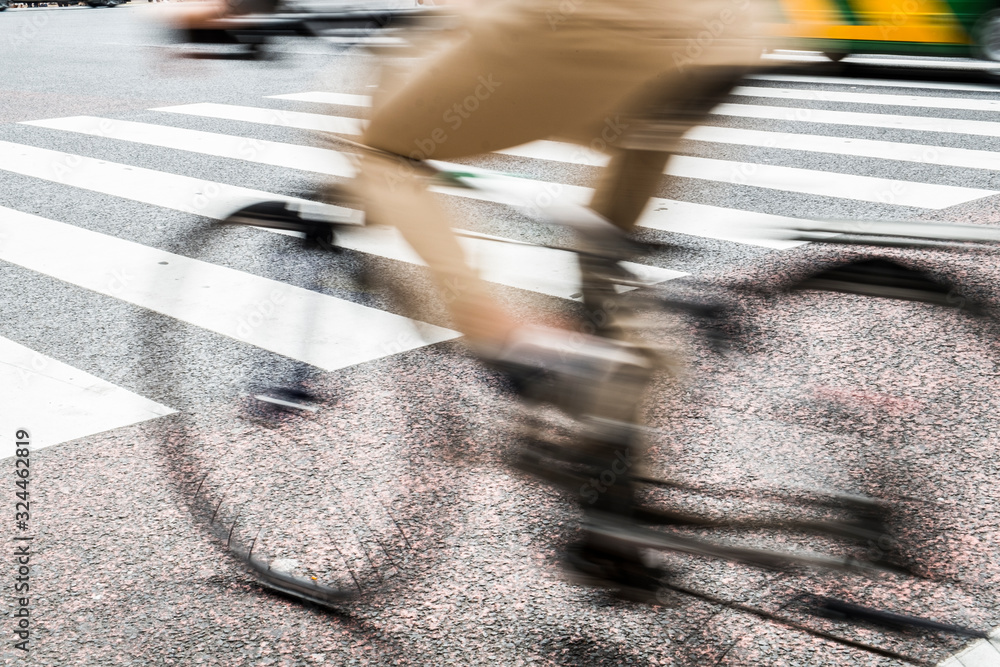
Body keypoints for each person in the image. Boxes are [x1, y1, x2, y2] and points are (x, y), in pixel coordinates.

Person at [344, 0, 775, 601]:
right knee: (600, 269)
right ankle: (612, 512)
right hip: (728, 35)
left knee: (383, 149)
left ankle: (500, 332)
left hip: (585, 24)